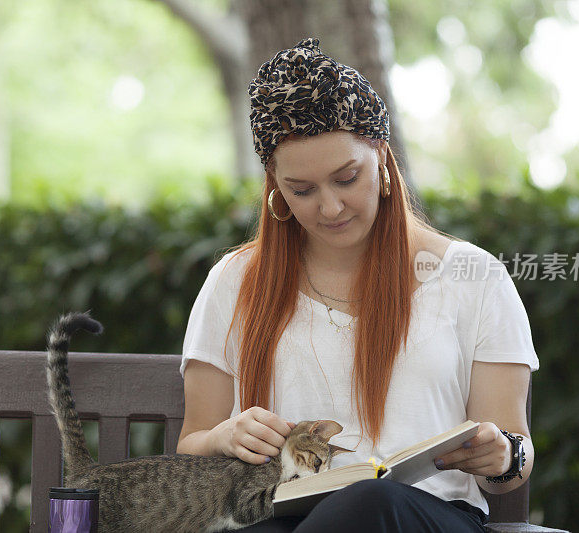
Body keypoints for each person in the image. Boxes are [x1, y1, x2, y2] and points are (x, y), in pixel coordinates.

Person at [176, 37, 539, 532]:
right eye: (302, 191)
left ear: (383, 160)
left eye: (347, 178)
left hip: (421, 515)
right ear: (275, 189)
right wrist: (224, 438)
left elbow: (511, 457)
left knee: (368, 503)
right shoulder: (234, 282)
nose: (330, 208)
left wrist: (503, 455)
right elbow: (193, 443)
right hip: (282, 511)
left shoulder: (473, 278)